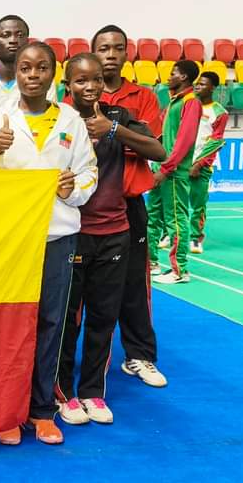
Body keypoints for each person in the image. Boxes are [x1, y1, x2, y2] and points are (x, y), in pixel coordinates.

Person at [0, 42, 97, 446]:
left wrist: (72, 188)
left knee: (50, 322)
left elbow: (88, 172)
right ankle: (5, 409)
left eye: (41, 68)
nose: (32, 75)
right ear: (17, 72)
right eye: (25, 67)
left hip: (58, 236)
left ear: (53, 74)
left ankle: (41, 409)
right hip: (9, 239)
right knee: (7, 326)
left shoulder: (71, 121)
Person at [56, 54, 166, 427]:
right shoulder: (59, 119)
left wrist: (113, 131)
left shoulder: (118, 118)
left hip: (116, 232)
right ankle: (62, 393)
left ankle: (91, 392)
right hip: (73, 233)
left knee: (103, 318)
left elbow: (159, 152)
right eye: (80, 81)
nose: (89, 87)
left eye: (96, 80)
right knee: (68, 319)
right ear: (68, 84)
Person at [85, 24, 167, 388]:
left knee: (134, 285)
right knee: (81, 292)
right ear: (93, 52)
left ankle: (140, 356)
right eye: (104, 48)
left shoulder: (143, 97)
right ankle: (77, 363)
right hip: (84, 206)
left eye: (118, 48)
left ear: (126, 53)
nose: (111, 54)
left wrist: (115, 133)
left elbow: (155, 148)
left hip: (128, 205)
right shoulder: (73, 98)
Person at [149, 60, 202, 285]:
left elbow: (185, 140)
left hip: (172, 172)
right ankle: (150, 261)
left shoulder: (191, 103)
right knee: (152, 215)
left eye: (173, 73)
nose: (168, 77)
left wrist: (167, 168)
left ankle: (180, 270)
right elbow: (165, 135)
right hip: (160, 168)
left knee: (176, 220)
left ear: (184, 78)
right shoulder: (174, 101)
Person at [188, 71, 229, 254]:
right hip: (180, 162)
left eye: (203, 84)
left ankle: (195, 238)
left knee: (198, 204)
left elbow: (216, 141)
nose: (197, 86)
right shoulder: (187, 104)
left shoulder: (219, 113)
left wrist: (198, 164)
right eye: (197, 83)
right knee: (172, 201)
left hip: (200, 167)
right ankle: (168, 234)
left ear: (212, 88)